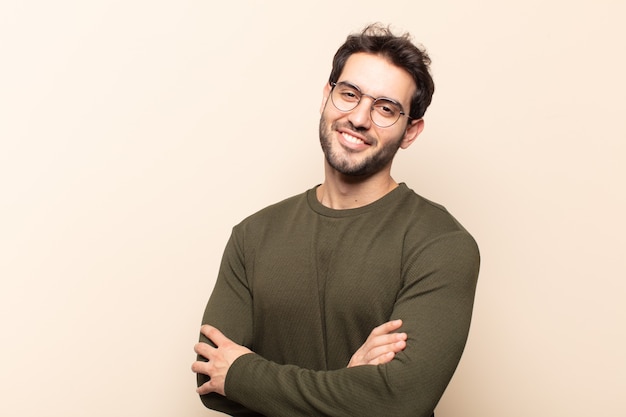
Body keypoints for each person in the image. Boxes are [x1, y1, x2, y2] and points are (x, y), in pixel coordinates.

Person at [191, 23, 480, 417]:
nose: (359, 118)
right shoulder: (253, 235)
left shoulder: (440, 243)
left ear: (410, 131)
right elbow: (211, 380)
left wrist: (245, 376)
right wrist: (349, 385)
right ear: (327, 97)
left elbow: (397, 400)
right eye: (349, 94)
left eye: (385, 108)